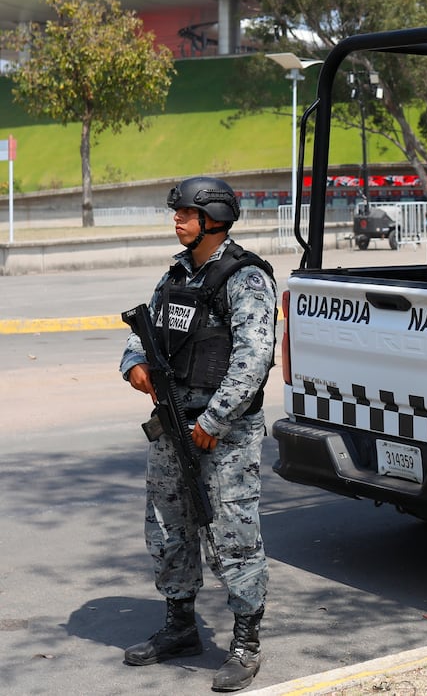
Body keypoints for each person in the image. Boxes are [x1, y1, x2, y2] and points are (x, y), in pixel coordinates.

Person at [120, 176, 277, 692]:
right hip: (171, 425)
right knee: (168, 526)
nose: (177, 220)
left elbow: (254, 359)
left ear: (213, 218)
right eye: (178, 212)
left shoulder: (244, 278)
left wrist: (212, 422)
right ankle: (180, 626)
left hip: (221, 432)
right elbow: (142, 333)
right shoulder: (176, 275)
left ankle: (245, 643)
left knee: (232, 532)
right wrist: (135, 366)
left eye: (185, 213)